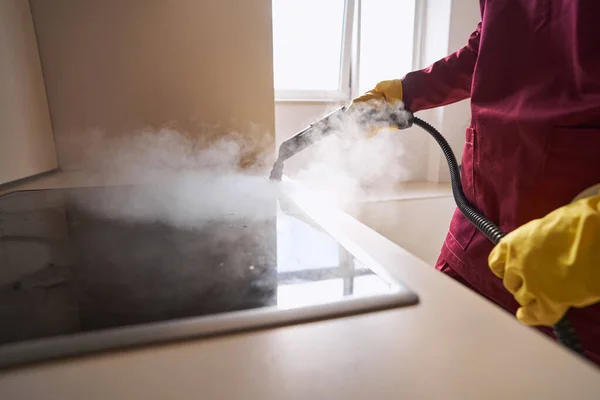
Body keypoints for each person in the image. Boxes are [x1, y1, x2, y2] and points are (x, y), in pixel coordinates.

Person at [350, 1, 600, 364]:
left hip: (570, 259)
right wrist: (409, 92)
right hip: (478, 218)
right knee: (431, 361)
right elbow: (492, 48)